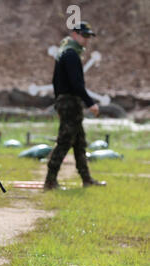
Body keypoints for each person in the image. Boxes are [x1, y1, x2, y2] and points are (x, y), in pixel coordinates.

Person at [44, 21, 106, 190]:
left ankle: (86, 179)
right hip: (70, 103)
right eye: (84, 35)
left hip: (66, 102)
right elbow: (77, 84)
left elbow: (55, 82)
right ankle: (50, 181)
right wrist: (90, 103)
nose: (86, 39)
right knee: (64, 141)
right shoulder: (71, 54)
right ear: (75, 34)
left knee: (79, 143)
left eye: (88, 36)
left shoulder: (65, 52)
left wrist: (58, 103)